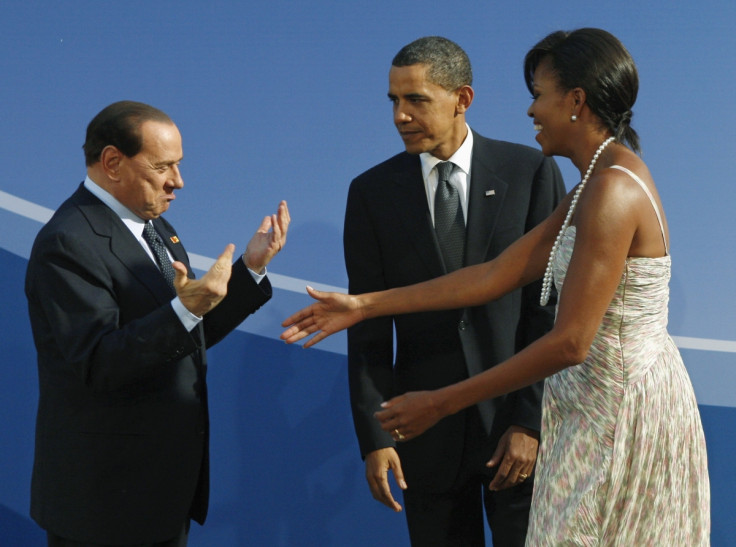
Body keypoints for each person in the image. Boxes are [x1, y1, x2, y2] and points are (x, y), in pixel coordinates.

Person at [282, 28, 710, 545]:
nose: (531, 111)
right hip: (591, 411)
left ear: (575, 101)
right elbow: (493, 276)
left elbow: (570, 342)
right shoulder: (591, 184)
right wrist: (364, 305)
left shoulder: (611, 192)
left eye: (538, 95)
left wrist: (442, 401)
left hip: (617, 415)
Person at [25, 100, 290, 546]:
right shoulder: (68, 242)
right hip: (105, 505)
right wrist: (185, 310)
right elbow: (100, 362)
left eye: (179, 165)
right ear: (113, 162)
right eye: (163, 166)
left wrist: (249, 270)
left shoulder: (157, 229)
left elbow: (185, 336)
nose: (178, 182)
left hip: (161, 495)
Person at [340, 36, 565, 546]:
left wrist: (530, 422)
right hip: (425, 437)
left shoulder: (529, 172)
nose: (400, 115)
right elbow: (368, 329)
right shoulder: (371, 194)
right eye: (394, 100)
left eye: (416, 100)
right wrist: (375, 436)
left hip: (515, 433)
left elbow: (546, 310)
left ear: (462, 99)